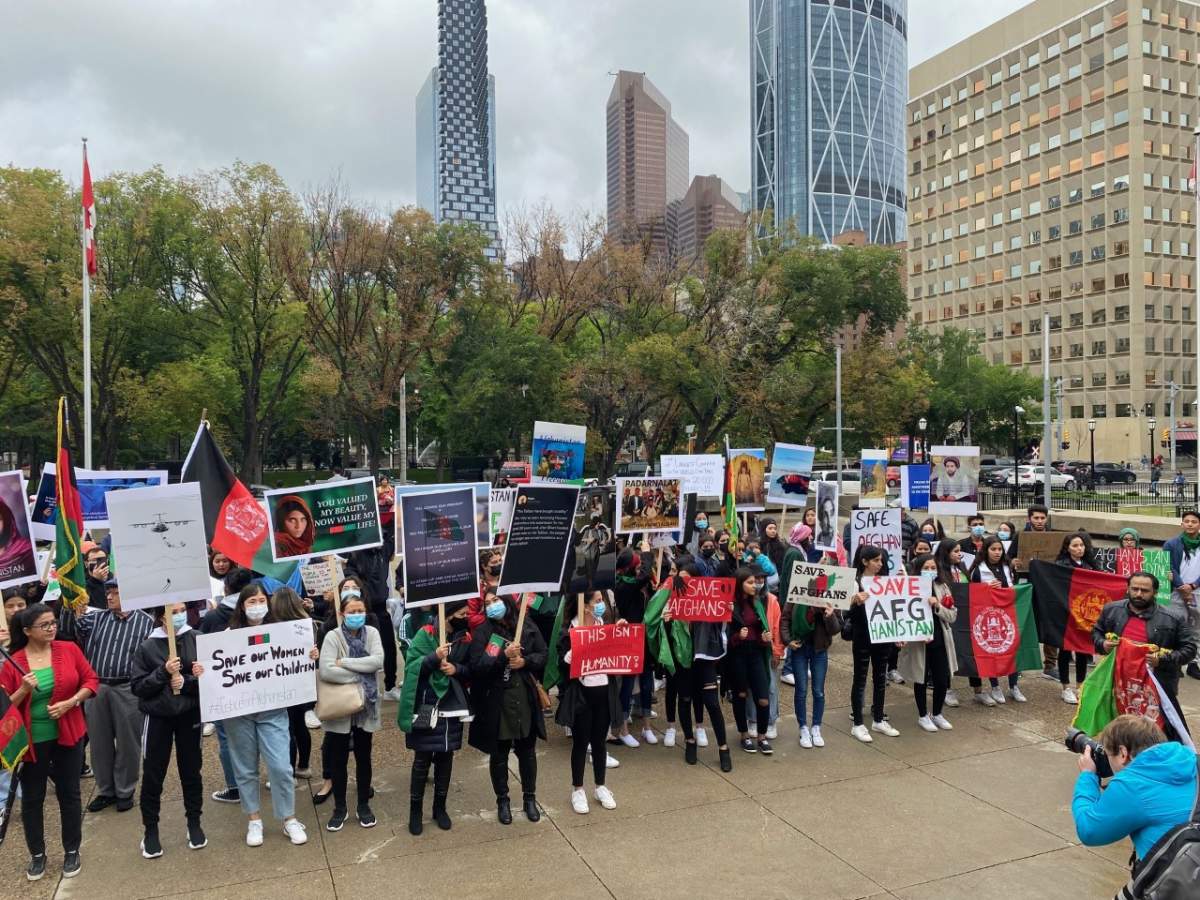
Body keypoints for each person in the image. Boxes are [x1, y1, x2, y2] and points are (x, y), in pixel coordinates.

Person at [0, 603, 98, 881]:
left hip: (68, 733)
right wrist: (23, 689)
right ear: (27, 630)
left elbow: (91, 680)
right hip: (32, 742)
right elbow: (4, 707)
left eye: (53, 623)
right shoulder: (13, 662)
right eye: (45, 625)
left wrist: (71, 702)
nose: (52, 628)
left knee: (70, 793)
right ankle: (37, 854)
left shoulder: (68, 650)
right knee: (33, 798)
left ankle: (71, 850)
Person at [222, 584, 315, 847]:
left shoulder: (282, 632)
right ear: (242, 605)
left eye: (262, 600)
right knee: (245, 767)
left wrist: (309, 655)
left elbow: (295, 659)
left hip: (272, 710)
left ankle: (288, 819)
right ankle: (254, 819)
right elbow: (217, 667)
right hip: (239, 712)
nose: (257, 605)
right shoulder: (229, 635)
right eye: (252, 601)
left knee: (281, 767)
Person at [68, 577, 153, 815]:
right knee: (99, 742)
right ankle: (106, 791)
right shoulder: (95, 619)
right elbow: (71, 629)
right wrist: (72, 607)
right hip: (97, 688)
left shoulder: (146, 623)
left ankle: (125, 791)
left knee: (128, 743)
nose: (109, 597)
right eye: (108, 593)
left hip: (128, 689)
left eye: (115, 592)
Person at [129, 603, 206, 858]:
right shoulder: (147, 647)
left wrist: (188, 682)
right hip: (159, 717)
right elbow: (139, 687)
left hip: (189, 714)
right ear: (161, 616)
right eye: (173, 611)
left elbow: (211, 678)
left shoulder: (196, 638)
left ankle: (194, 822)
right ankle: (150, 830)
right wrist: (162, 672)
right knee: (153, 773)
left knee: (191, 770)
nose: (179, 615)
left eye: (182, 609)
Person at [468, 594, 548, 825]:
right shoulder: (483, 632)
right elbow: (478, 666)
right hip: (498, 701)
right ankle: (502, 801)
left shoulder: (526, 624)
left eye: (496, 600)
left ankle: (529, 799)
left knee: (527, 751)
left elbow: (543, 654)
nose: (493, 606)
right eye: (488, 603)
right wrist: (502, 656)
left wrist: (525, 661)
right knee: (499, 753)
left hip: (524, 696)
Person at [1073, 714, 1198, 861]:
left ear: (1123, 753)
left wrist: (1087, 776)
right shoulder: (1193, 761)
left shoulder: (1133, 785)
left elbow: (1089, 831)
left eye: (1109, 756)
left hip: (1175, 879)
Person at [1093, 571, 1198, 742]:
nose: (1139, 594)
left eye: (1144, 590)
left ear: (1155, 592)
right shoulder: (1112, 610)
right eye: (1134, 589)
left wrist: (1162, 659)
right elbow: (1097, 632)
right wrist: (1102, 644)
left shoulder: (1173, 617)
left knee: (1156, 733)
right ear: (1128, 589)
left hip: (1156, 688)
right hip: (1119, 685)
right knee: (1121, 729)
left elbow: (1189, 649)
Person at [399, 599, 472, 835]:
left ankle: (440, 808)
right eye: (462, 612)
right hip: (426, 706)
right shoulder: (425, 634)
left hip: (452, 707)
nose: (466, 615)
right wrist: (433, 657)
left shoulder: (465, 637)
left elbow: (473, 668)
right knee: (422, 760)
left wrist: (456, 669)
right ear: (449, 615)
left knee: (445, 758)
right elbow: (412, 667)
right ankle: (415, 811)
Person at [318, 590, 384, 831]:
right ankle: (340, 807)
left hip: (366, 706)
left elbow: (378, 661)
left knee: (364, 757)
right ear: (341, 613)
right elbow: (326, 671)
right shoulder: (333, 637)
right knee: (338, 759)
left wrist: (344, 663)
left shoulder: (373, 633)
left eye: (360, 611)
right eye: (352, 611)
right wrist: (361, 673)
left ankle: (363, 805)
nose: (357, 615)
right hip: (340, 707)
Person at [557, 590, 620, 814]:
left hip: (603, 692)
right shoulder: (570, 631)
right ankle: (578, 789)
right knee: (581, 742)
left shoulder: (604, 624)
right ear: (585, 606)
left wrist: (621, 633)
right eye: (598, 601)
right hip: (581, 695)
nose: (602, 605)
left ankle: (600, 786)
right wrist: (576, 649)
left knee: (600, 741)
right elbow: (561, 664)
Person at [778, 556, 840, 750]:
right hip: (799, 648)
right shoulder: (797, 591)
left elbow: (837, 629)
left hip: (819, 649)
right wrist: (788, 641)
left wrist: (829, 616)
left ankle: (816, 727)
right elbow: (785, 618)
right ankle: (803, 727)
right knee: (801, 690)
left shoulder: (831, 597)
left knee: (819, 691)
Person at [899, 554, 957, 732]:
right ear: (918, 569)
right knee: (921, 678)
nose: (930, 571)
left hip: (939, 638)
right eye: (926, 568)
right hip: (918, 641)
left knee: (941, 679)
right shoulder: (909, 587)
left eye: (933, 568)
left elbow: (952, 615)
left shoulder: (943, 587)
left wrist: (938, 606)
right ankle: (923, 715)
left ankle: (937, 713)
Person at [847, 546, 898, 741]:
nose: (880, 564)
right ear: (865, 561)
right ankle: (858, 724)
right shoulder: (854, 582)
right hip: (863, 636)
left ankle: (878, 719)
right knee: (860, 679)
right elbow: (843, 613)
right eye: (876, 560)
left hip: (883, 636)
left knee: (880, 678)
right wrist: (854, 600)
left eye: (881, 561)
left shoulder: (886, 583)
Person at [967, 537, 1025, 704]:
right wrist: (986, 588)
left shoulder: (1008, 567)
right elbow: (973, 593)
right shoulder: (978, 570)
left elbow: (1013, 588)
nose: (997, 552)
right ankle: (995, 686)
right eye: (993, 549)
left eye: (1000, 549)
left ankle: (1014, 686)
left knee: (1013, 648)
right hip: (988, 616)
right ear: (986, 550)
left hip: (1007, 614)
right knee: (992, 650)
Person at [728, 567, 775, 754]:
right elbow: (725, 638)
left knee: (763, 698)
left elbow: (761, 628)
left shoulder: (757, 603)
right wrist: (738, 636)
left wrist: (765, 639)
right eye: (749, 582)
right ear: (740, 585)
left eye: (754, 581)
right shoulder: (731, 606)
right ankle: (744, 735)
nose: (754, 585)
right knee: (740, 695)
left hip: (755, 654)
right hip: (738, 655)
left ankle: (762, 736)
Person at [1056, 532, 1099, 704]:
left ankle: (1080, 686)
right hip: (1067, 615)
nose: (1079, 549)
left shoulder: (1090, 565)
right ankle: (1065, 687)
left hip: (1085, 615)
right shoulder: (1060, 565)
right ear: (1067, 548)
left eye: (1081, 545)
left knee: (1083, 650)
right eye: (1075, 546)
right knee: (1065, 651)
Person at [1163, 510, 1200, 680]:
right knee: (1175, 626)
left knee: (1196, 629)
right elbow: (1169, 567)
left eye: (1194, 521)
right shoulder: (1171, 544)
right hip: (1176, 592)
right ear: (1182, 524)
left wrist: (1193, 586)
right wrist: (1181, 586)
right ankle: (1175, 662)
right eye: (1187, 521)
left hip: (1197, 591)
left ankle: (1194, 663)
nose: (1190, 524)